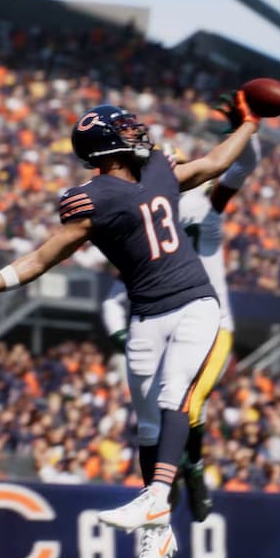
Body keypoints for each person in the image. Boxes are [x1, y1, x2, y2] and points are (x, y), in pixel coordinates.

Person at [0, 92, 263, 558]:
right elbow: (42, 258)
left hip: (196, 302)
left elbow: (216, 162)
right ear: (105, 145)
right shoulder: (91, 199)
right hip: (146, 314)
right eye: (125, 127)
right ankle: (159, 535)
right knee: (148, 429)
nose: (137, 131)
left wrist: (250, 125)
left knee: (177, 395)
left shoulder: (157, 171)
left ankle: (155, 498)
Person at [102, 130, 261, 523]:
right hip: (165, 320)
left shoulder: (200, 211)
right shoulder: (146, 227)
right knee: (164, 412)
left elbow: (239, 168)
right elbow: (113, 297)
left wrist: (249, 125)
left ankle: (190, 472)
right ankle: (178, 476)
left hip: (209, 321)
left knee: (185, 403)